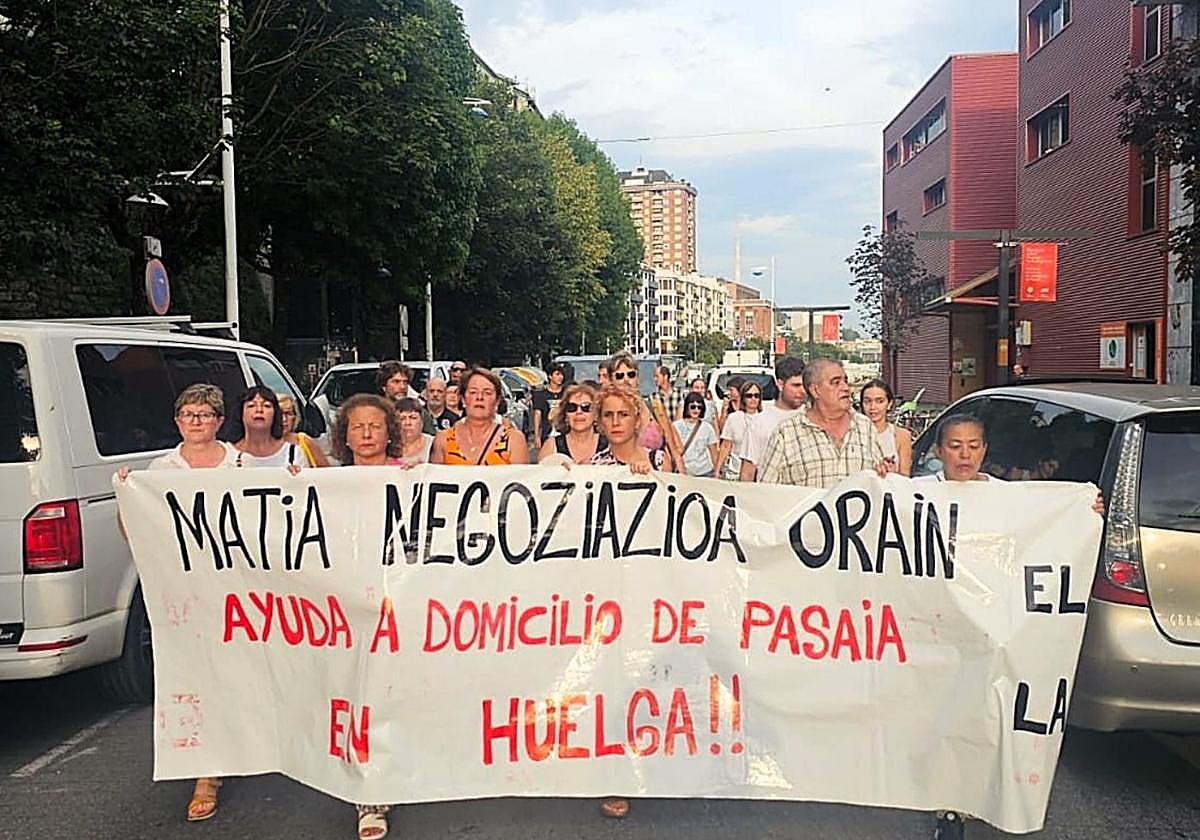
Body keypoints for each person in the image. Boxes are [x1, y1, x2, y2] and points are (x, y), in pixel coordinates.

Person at [116, 384, 238, 822]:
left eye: (205, 414)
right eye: (188, 414)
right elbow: (132, 529)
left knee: (239, 672)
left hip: (238, 589)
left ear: (220, 421)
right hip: (183, 594)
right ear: (177, 421)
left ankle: (250, 745)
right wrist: (130, 497)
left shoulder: (239, 464)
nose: (196, 422)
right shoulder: (160, 468)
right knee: (194, 675)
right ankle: (207, 772)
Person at [915, 415, 1105, 515]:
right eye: (955, 446)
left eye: (973, 446)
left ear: (984, 449)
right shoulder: (917, 492)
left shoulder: (1006, 494)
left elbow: (1047, 521)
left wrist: (1082, 509)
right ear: (939, 451)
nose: (965, 455)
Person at [757, 358, 888, 489]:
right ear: (815, 390)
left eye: (845, 381)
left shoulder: (865, 427)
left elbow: (881, 481)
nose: (845, 388)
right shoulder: (786, 434)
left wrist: (885, 472)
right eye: (835, 382)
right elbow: (766, 493)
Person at [431, 368, 529, 466]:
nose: (479, 397)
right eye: (473, 392)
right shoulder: (442, 440)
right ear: (463, 399)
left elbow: (520, 479)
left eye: (487, 393)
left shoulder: (514, 441)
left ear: (497, 401)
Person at [609, 351, 684, 472]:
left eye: (631, 374)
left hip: (658, 479)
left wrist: (682, 483)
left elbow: (675, 448)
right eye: (619, 376)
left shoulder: (654, 406)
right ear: (612, 380)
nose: (626, 380)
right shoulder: (605, 413)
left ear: (637, 378)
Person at [738, 356, 807, 482]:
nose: (802, 391)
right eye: (796, 385)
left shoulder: (811, 417)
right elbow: (747, 472)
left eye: (804, 386)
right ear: (780, 384)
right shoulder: (759, 423)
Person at [592, 384, 674, 474]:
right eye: (608, 415)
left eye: (624, 414)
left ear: (637, 420)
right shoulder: (595, 466)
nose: (615, 422)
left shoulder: (658, 461)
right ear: (600, 421)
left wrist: (650, 474)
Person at [228, 386, 307, 468]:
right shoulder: (228, 454)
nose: (259, 410)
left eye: (266, 406)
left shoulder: (293, 454)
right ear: (241, 413)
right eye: (251, 405)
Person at [538, 382, 605, 464]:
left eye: (586, 407)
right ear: (565, 415)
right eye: (572, 407)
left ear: (596, 414)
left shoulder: (610, 445)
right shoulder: (551, 446)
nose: (579, 412)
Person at [330, 394, 405, 467]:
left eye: (375, 426)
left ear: (390, 433)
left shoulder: (404, 473)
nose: (366, 435)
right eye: (358, 427)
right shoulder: (338, 476)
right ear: (344, 435)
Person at [859, 379, 912, 476]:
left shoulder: (902, 436)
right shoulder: (853, 433)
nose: (873, 407)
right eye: (867, 401)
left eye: (879, 401)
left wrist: (890, 472)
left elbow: (905, 476)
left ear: (889, 404)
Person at [715, 377, 758, 480]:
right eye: (749, 396)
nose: (753, 399)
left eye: (756, 396)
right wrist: (717, 470)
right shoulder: (733, 418)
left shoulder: (764, 418)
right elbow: (726, 445)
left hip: (757, 473)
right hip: (735, 471)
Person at [378, 361, 435, 435]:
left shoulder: (419, 412)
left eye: (405, 382)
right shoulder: (376, 412)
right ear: (384, 386)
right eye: (396, 382)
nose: (402, 387)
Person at [673, 392, 719, 477]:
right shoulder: (676, 426)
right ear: (687, 407)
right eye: (693, 407)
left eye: (699, 407)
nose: (696, 410)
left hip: (705, 472)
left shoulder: (708, 428)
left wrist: (717, 472)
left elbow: (714, 453)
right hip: (683, 472)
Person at [277, 393, 329, 467]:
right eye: (278, 414)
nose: (284, 419)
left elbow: (326, 472)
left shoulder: (304, 441)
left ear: (295, 417)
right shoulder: (259, 443)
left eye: (288, 414)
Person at [532, 362, 567, 447]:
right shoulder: (541, 395)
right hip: (547, 434)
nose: (560, 377)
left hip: (565, 434)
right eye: (557, 374)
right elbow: (538, 414)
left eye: (562, 374)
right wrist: (537, 436)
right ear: (550, 376)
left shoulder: (566, 393)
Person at [394, 397, 434, 467]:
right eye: (402, 418)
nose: (407, 423)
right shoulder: (386, 445)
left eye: (413, 418)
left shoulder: (434, 443)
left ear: (422, 422)